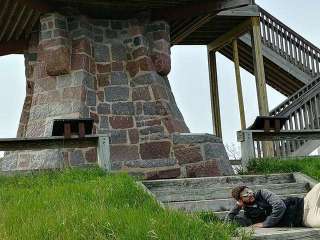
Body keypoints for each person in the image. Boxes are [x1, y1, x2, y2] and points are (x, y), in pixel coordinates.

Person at [225, 183, 320, 228]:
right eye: (245, 194)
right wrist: (237, 206)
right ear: (240, 199)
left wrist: (265, 223)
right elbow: (228, 222)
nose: (249, 194)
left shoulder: (262, 193)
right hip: (304, 218)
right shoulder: (249, 215)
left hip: (305, 202)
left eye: (249, 191)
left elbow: (280, 206)